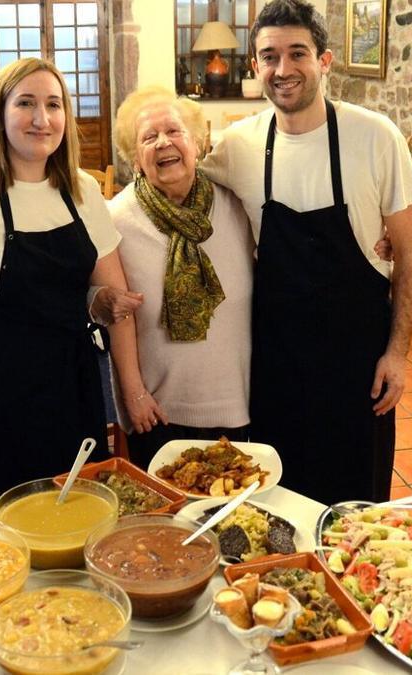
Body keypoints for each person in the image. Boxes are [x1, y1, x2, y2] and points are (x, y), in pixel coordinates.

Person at [202, 0, 412, 505]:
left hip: (358, 360)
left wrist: (398, 354)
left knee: (356, 502)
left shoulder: (375, 137)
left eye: (297, 53)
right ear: (255, 67)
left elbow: (411, 255)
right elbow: (173, 188)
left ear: (324, 60)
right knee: (279, 497)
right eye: (270, 57)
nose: (283, 69)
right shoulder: (238, 145)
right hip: (277, 361)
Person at [0, 58, 134, 522]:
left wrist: (106, 306)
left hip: (72, 379)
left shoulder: (81, 190)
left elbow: (108, 291)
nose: (42, 119)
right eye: (26, 104)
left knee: (82, 514)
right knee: (9, 523)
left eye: (54, 105)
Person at [104, 86, 255, 468]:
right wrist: (133, 393)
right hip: (157, 410)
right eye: (148, 137)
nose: (162, 143)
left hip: (238, 401)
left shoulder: (238, 203)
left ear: (198, 143)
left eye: (174, 131)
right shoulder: (116, 219)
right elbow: (116, 313)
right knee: (164, 526)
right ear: (135, 159)